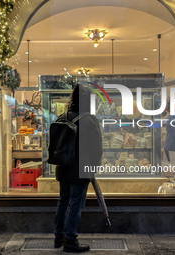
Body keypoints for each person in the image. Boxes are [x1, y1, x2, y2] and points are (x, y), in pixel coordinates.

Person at [53, 84, 102, 253]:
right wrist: (94, 168)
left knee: (63, 201)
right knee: (76, 203)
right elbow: (96, 148)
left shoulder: (62, 117)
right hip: (81, 169)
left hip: (63, 167)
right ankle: (71, 240)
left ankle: (59, 236)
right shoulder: (89, 120)